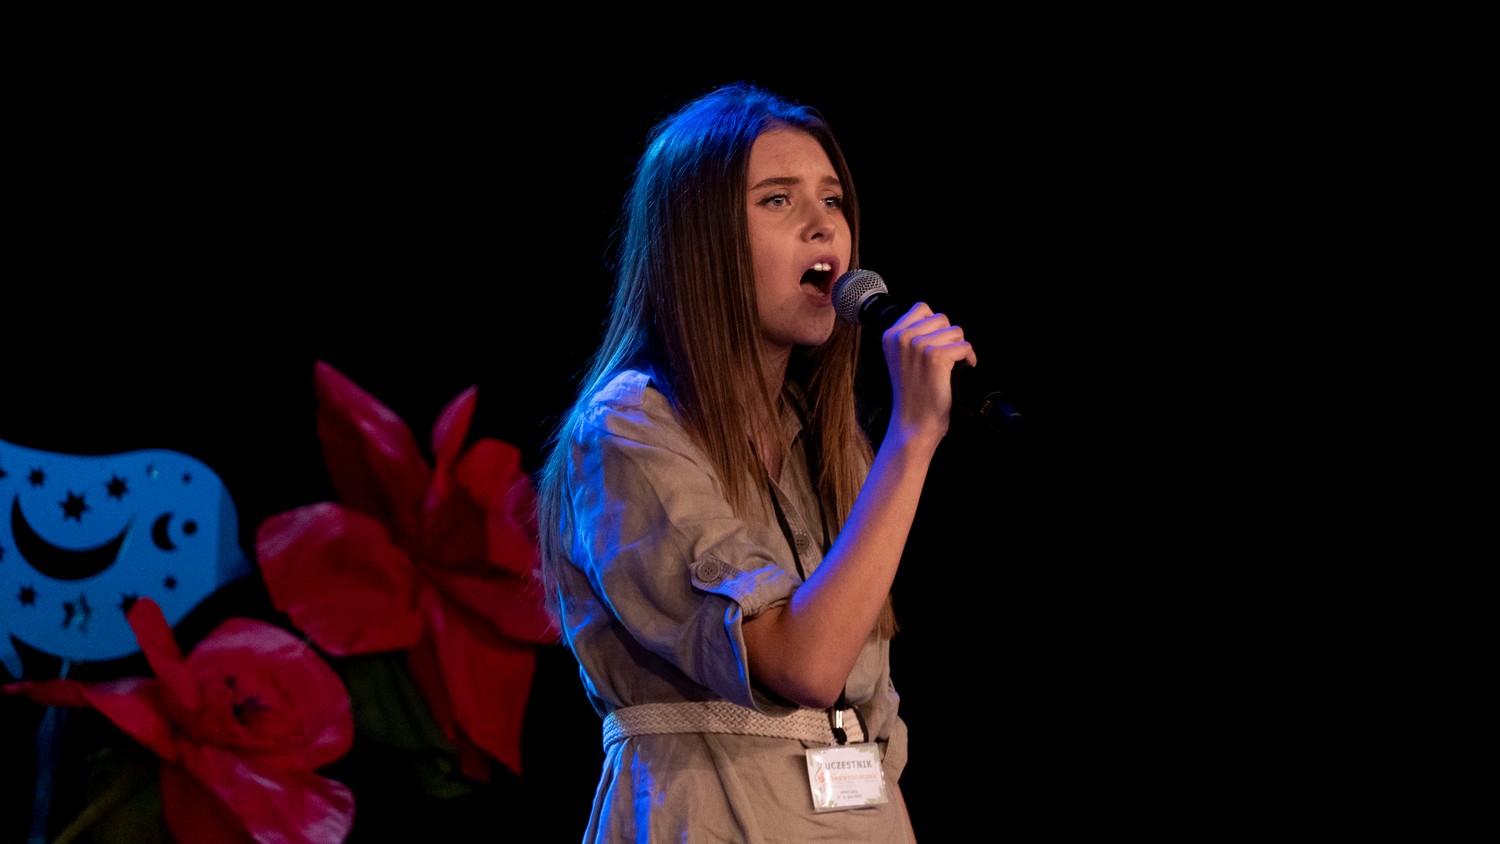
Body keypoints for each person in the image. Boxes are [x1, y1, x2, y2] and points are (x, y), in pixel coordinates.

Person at [533, 80, 978, 842]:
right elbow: (804, 665)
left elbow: (869, 709)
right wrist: (913, 439)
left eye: (832, 200)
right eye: (777, 200)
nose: (822, 225)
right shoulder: (628, 429)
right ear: (699, 241)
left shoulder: (823, 438)